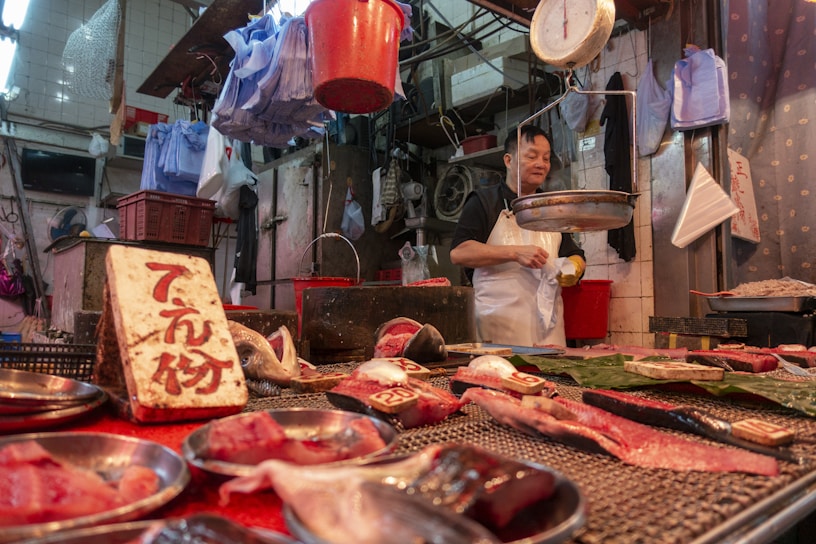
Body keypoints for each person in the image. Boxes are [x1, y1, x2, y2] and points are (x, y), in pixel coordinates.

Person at [449, 125, 586, 347]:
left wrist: (573, 269)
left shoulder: (551, 207)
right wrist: (514, 253)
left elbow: (574, 254)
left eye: (546, 158)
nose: (541, 164)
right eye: (532, 156)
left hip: (548, 335)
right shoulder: (484, 202)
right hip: (498, 332)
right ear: (508, 160)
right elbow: (459, 252)